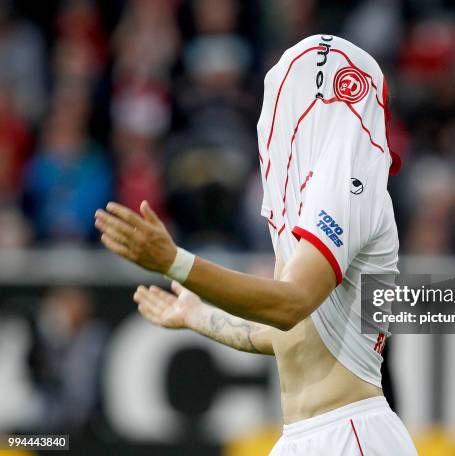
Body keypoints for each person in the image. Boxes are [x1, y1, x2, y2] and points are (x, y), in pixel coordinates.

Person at [95, 35, 417, 455]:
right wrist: (198, 316)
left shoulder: (347, 181)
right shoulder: (322, 195)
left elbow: (289, 305)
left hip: (348, 434)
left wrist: (175, 262)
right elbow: (288, 333)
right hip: (308, 436)